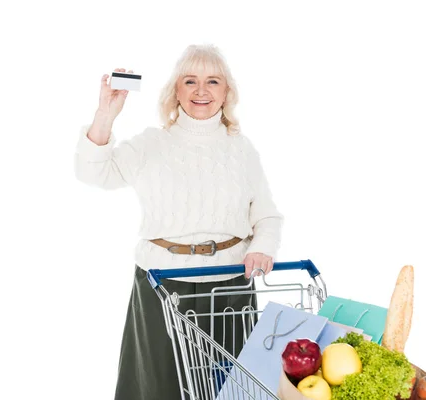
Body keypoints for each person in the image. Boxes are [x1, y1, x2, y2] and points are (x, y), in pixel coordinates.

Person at [74, 44, 283, 400]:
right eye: (190, 81)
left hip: (229, 285)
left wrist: (262, 248)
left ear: (226, 92)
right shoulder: (151, 144)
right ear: (176, 91)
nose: (201, 90)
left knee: (229, 389)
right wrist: (105, 115)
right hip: (162, 286)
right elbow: (93, 173)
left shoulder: (241, 148)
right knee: (161, 388)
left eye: (212, 81)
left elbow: (266, 216)